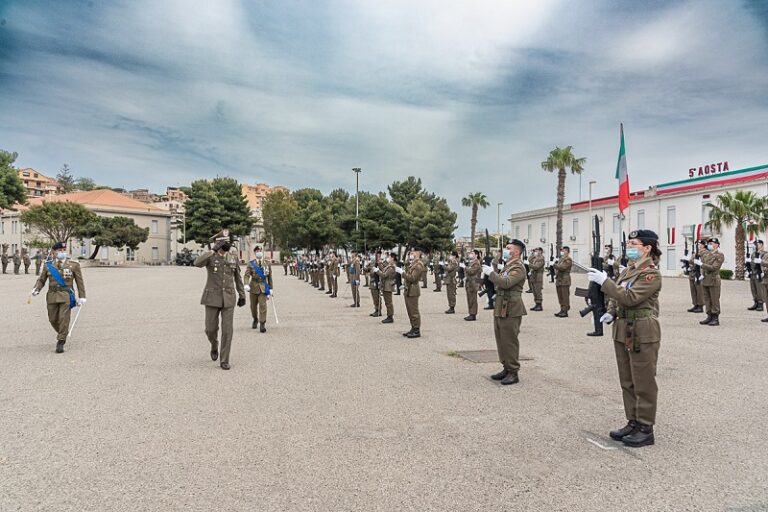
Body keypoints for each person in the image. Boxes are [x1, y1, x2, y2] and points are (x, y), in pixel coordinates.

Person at [588, 229, 662, 448]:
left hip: (642, 329)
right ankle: (633, 421)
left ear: (647, 248)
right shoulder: (629, 270)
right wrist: (611, 310)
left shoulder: (650, 273)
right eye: (628, 243)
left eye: (634, 244)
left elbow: (630, 297)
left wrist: (604, 282)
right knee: (627, 379)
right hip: (624, 327)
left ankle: (646, 427)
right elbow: (618, 294)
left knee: (644, 381)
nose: (629, 247)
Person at [193, 231, 246, 370]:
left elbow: (238, 278)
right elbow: (197, 263)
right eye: (223, 242)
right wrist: (212, 250)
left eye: (227, 241)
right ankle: (214, 344)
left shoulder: (233, 257)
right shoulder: (211, 256)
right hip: (212, 297)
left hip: (228, 298)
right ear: (218, 243)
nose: (226, 244)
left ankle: (224, 360)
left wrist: (242, 294)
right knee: (210, 329)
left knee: (227, 330)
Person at [483, 240, 527, 385]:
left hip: (512, 308)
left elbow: (506, 283)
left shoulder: (519, 267)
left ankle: (513, 372)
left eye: (509, 248)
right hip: (501, 306)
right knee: (501, 339)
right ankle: (506, 367)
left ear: (517, 251)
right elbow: (499, 282)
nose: (505, 250)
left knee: (509, 341)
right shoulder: (508, 266)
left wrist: (492, 273)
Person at [32, 242, 86, 353]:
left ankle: (61, 341)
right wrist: (36, 289)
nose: (62, 252)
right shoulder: (48, 265)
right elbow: (41, 280)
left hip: (66, 296)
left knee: (63, 318)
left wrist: (82, 296)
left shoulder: (73, 265)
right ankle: (63, 332)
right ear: (54, 252)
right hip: (52, 296)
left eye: (63, 250)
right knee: (53, 319)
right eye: (59, 250)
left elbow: (79, 282)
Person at [243, 245, 273, 332]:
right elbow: (247, 275)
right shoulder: (251, 263)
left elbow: (269, 277)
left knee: (263, 305)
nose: (259, 252)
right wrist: (246, 284)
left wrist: (271, 288)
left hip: (263, 287)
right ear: (255, 253)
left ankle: (262, 323)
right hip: (253, 287)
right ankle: (255, 319)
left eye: (260, 251)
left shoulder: (267, 263)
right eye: (257, 251)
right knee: (253, 307)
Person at [698, 237, 724, 326]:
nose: (710, 245)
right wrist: (701, 274)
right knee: (707, 299)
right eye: (709, 244)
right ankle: (709, 316)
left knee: (714, 299)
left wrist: (702, 265)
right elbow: (703, 267)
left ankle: (715, 317)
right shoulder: (707, 255)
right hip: (705, 279)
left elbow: (714, 267)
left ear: (717, 245)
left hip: (713, 280)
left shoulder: (719, 255)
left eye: (712, 244)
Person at [400, 247, 426, 338]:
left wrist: (402, 273)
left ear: (418, 252)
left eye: (413, 252)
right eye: (411, 252)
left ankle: (416, 330)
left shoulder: (418, 265)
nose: (412, 253)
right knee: (410, 310)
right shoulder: (413, 263)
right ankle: (413, 327)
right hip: (409, 289)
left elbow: (413, 278)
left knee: (414, 311)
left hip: (413, 290)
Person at [553, 246, 573, 317]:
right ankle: (562, 309)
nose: (562, 251)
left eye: (563, 250)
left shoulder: (568, 259)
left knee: (565, 296)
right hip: (559, 279)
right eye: (561, 250)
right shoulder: (561, 259)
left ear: (567, 251)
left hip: (565, 280)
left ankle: (565, 311)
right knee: (560, 296)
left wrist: (554, 265)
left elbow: (562, 268)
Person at [686, 240, 705, 313]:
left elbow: (702, 264)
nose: (698, 245)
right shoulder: (695, 253)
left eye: (699, 244)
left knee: (699, 290)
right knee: (693, 290)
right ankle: (695, 304)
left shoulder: (704, 253)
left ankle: (700, 306)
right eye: (697, 244)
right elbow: (691, 262)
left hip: (698, 274)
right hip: (692, 273)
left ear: (703, 245)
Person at [464, 249, 481, 321]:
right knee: (470, 298)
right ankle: (471, 313)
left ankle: (473, 314)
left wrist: (465, 267)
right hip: (470, 283)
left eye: (472, 253)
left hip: (474, 283)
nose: (470, 254)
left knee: (473, 299)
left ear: (476, 255)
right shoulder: (471, 262)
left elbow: (471, 272)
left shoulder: (476, 263)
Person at [380, 252, 397, 323]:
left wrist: (377, 271)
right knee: (387, 302)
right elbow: (383, 269)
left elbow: (384, 275)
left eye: (389, 257)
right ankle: (389, 316)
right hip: (386, 285)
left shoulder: (392, 267)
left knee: (389, 302)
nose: (388, 258)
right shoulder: (389, 265)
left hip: (388, 286)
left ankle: (390, 317)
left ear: (392, 258)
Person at [747, 240, 764, 312]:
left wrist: (762, 272)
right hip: (753, 274)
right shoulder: (753, 254)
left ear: (761, 245)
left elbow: (763, 264)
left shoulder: (764, 254)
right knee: (753, 289)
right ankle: (756, 302)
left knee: (759, 289)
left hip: (758, 274)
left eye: (757, 244)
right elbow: (751, 263)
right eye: (755, 244)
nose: (756, 246)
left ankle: (760, 304)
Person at [528, 247, 545, 311]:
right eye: (536, 251)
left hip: (538, 276)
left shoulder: (541, 259)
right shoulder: (535, 258)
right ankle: (536, 304)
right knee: (534, 291)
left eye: (537, 250)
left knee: (538, 291)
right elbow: (529, 259)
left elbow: (536, 267)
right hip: (533, 276)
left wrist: (529, 264)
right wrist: (532, 253)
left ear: (540, 251)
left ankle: (539, 305)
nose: (536, 252)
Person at [367, 251, 382, 317]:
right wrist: (367, 266)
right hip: (372, 281)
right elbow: (368, 270)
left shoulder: (381, 263)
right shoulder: (373, 262)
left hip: (377, 281)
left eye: (378, 256)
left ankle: (379, 310)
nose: (377, 257)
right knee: (374, 296)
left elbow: (382, 272)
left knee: (377, 297)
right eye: (376, 256)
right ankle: (376, 309)